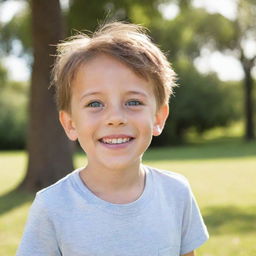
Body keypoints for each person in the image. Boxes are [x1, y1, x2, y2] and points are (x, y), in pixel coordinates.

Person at [17, 21, 209, 256]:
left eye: (133, 102)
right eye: (95, 103)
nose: (116, 118)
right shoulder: (52, 207)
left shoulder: (176, 193)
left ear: (159, 117)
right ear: (70, 123)